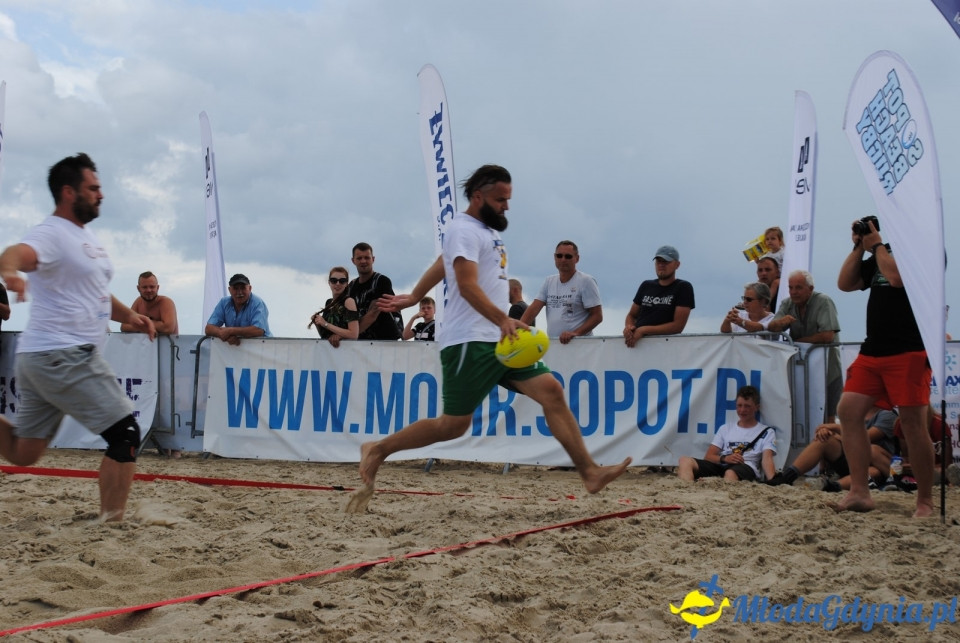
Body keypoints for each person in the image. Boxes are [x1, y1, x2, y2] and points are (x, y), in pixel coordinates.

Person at [347, 164, 630, 511]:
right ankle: (378, 448)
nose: (506, 206)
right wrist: (504, 320)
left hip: (496, 339)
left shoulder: (481, 231)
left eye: (508, 199)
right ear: (478, 196)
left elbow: (443, 262)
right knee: (452, 426)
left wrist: (413, 294)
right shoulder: (462, 228)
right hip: (469, 341)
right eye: (500, 200)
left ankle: (589, 472)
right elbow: (465, 285)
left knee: (552, 391)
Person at [0, 153, 156, 521]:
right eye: (94, 188)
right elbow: (14, 253)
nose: (101, 194)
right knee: (126, 433)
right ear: (69, 192)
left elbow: (96, 292)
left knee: (24, 452)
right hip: (64, 354)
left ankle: (109, 519)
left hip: (42, 356)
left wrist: (131, 314)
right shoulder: (52, 233)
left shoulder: (83, 235)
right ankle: (110, 523)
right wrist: (10, 274)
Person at [834, 218, 934, 517]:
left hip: (909, 349)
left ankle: (925, 501)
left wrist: (875, 245)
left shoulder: (925, 250)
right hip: (873, 349)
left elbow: (896, 278)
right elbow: (846, 283)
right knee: (849, 411)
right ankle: (859, 492)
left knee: (913, 424)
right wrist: (858, 247)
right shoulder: (882, 251)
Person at [766, 270, 842, 421]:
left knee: (827, 416)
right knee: (799, 412)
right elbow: (772, 327)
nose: (793, 292)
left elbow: (828, 335)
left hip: (828, 369)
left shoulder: (823, 301)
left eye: (799, 287)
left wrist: (797, 343)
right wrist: (779, 323)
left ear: (811, 289)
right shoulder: (787, 303)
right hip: (800, 370)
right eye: (790, 287)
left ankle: (829, 444)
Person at [765, 406, 897, 490]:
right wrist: (827, 432)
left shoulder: (887, 414)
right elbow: (851, 437)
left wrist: (833, 428)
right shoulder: (855, 411)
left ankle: (833, 486)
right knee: (824, 439)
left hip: (879, 464)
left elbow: (865, 438)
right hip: (854, 457)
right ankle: (787, 477)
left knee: (872, 456)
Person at [677, 386, 776, 482]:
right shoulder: (725, 428)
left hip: (746, 467)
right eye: (739, 405)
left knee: (730, 473)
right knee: (684, 460)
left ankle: (722, 495)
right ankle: (686, 494)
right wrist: (725, 458)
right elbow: (709, 456)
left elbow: (767, 459)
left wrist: (773, 480)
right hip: (722, 465)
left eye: (747, 406)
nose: (742, 410)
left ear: (757, 407)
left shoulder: (767, 432)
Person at [520, 240, 602, 344]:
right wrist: (518, 330)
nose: (563, 259)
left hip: (579, 345)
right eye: (559, 256)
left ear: (577, 259)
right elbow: (533, 309)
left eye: (568, 256)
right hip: (555, 345)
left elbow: (597, 316)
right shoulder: (549, 281)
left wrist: (575, 333)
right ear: (554, 257)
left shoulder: (586, 281)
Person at [623, 245, 695, 348]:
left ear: (677, 265)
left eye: (666, 262)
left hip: (665, 347)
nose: (661, 265)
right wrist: (629, 328)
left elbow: (678, 326)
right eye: (658, 261)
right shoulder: (646, 285)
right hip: (636, 346)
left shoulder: (683, 287)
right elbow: (632, 315)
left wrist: (643, 330)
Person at [342, 242, 401, 344]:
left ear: (373, 259)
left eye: (367, 258)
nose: (363, 261)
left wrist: (348, 336)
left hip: (386, 343)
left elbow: (373, 314)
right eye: (359, 258)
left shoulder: (382, 281)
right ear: (353, 261)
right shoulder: (351, 286)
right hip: (362, 343)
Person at [205, 273, 271, 345]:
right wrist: (222, 334)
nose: (239, 292)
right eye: (235, 288)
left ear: (250, 288)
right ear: (229, 290)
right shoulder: (224, 302)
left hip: (263, 349)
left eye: (243, 288)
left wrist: (231, 331)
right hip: (238, 352)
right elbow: (208, 328)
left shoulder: (257, 303)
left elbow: (258, 331)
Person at [893, 406, 953, 485]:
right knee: (896, 468)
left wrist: (922, 468)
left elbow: (947, 463)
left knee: (942, 471)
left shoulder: (939, 424)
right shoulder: (900, 424)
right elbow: (906, 456)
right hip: (913, 469)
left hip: (935, 467)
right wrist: (904, 465)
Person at [310, 266, 359, 346]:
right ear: (329, 282)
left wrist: (325, 324)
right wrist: (318, 324)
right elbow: (325, 336)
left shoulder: (348, 302)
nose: (337, 284)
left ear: (347, 283)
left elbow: (354, 335)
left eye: (342, 281)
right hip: (330, 352)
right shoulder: (328, 302)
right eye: (334, 281)